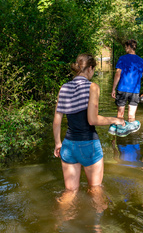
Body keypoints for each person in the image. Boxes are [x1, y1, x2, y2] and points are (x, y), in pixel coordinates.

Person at [53, 53, 125, 203]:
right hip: (88, 144)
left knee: (70, 192)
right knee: (96, 189)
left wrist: (58, 143)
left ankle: (59, 222)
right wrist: (116, 120)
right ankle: (97, 227)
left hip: (68, 145)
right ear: (90, 68)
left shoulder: (64, 88)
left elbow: (57, 121)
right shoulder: (93, 87)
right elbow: (92, 120)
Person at [110, 39, 143, 135]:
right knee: (131, 116)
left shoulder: (122, 58)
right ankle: (130, 137)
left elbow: (117, 74)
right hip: (135, 91)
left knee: (120, 114)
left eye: (126, 47)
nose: (125, 49)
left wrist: (113, 88)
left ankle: (120, 133)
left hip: (122, 89)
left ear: (129, 47)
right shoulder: (141, 61)